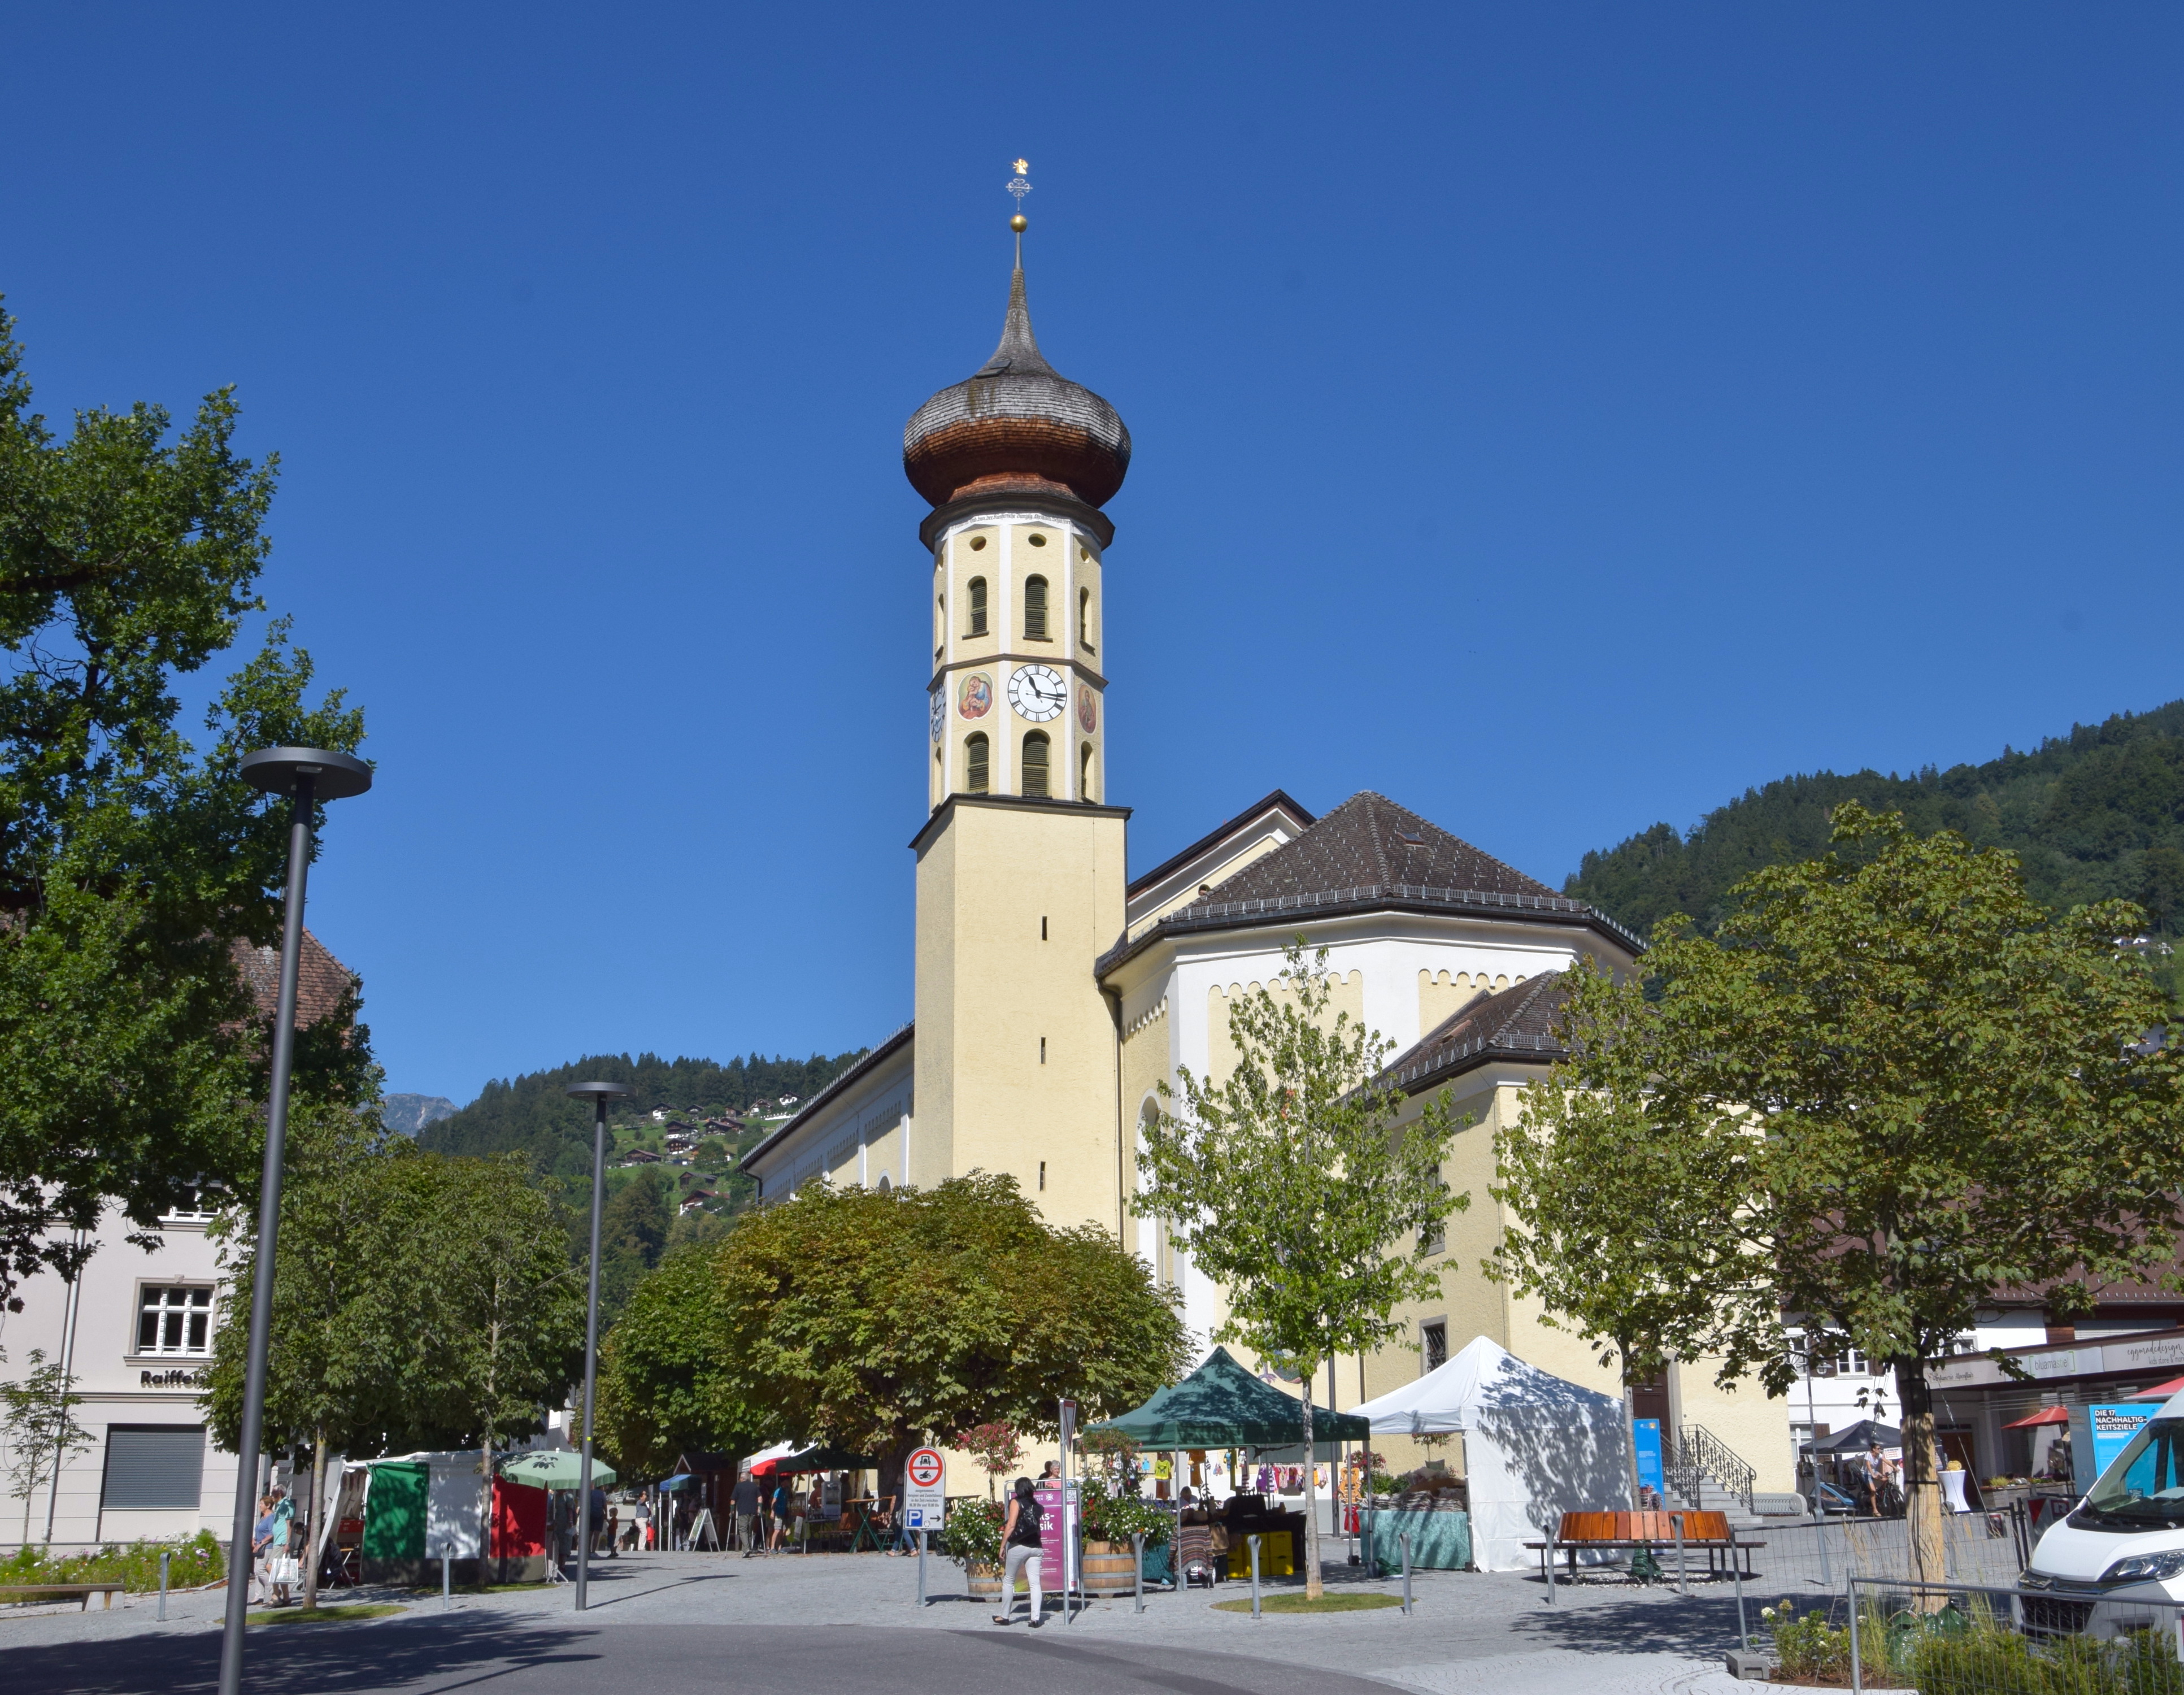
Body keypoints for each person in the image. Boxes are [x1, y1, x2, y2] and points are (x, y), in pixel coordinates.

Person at [993, 1477, 1045, 1627]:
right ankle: (1035, 1619)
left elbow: (1011, 1525)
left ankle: (1004, 1616)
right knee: (1035, 1583)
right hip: (1036, 1547)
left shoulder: (1016, 1502)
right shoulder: (1036, 1506)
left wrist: (1003, 1546)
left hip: (1019, 1546)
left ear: (1018, 1489)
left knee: (1009, 1580)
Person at [733, 1471, 762, 1558]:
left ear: (742, 1479)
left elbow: (733, 1500)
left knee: (743, 1530)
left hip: (743, 1511)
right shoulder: (754, 1486)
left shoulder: (738, 1486)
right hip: (753, 1511)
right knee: (749, 1531)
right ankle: (746, 1551)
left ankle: (746, 1549)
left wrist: (732, 1510)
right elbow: (760, 1498)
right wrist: (759, 1509)